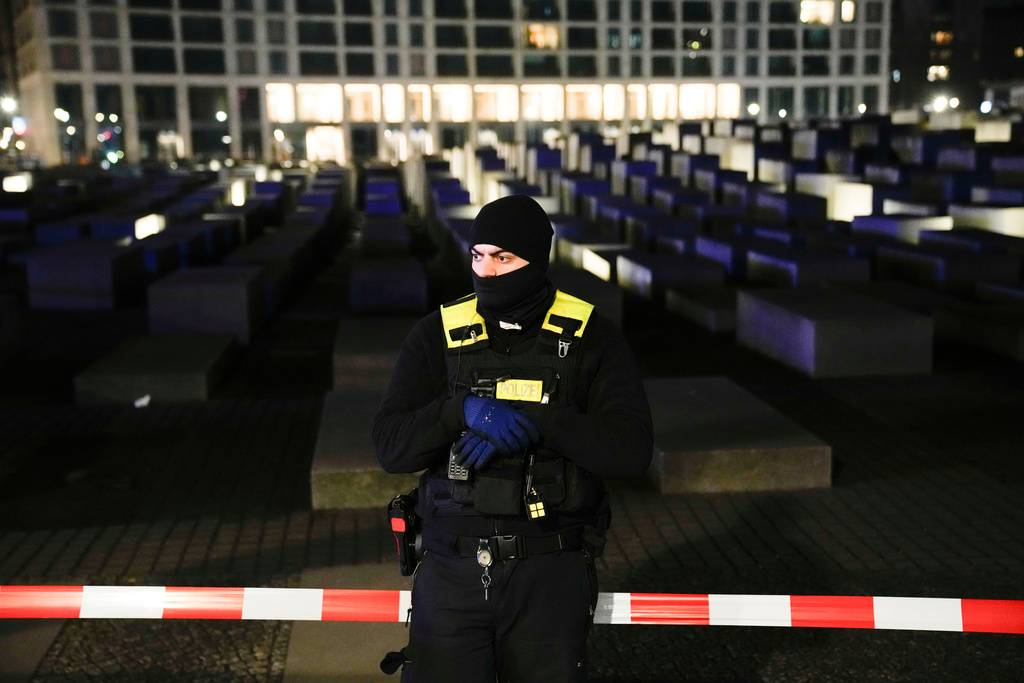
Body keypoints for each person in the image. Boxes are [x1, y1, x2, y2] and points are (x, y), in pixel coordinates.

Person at [372, 194, 653, 682]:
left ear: (536, 260)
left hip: (550, 573)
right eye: (478, 255)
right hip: (452, 572)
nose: (486, 271)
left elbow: (631, 450)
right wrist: (461, 411)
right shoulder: (435, 335)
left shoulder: (592, 338)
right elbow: (391, 447)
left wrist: (539, 422)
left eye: (503, 258)